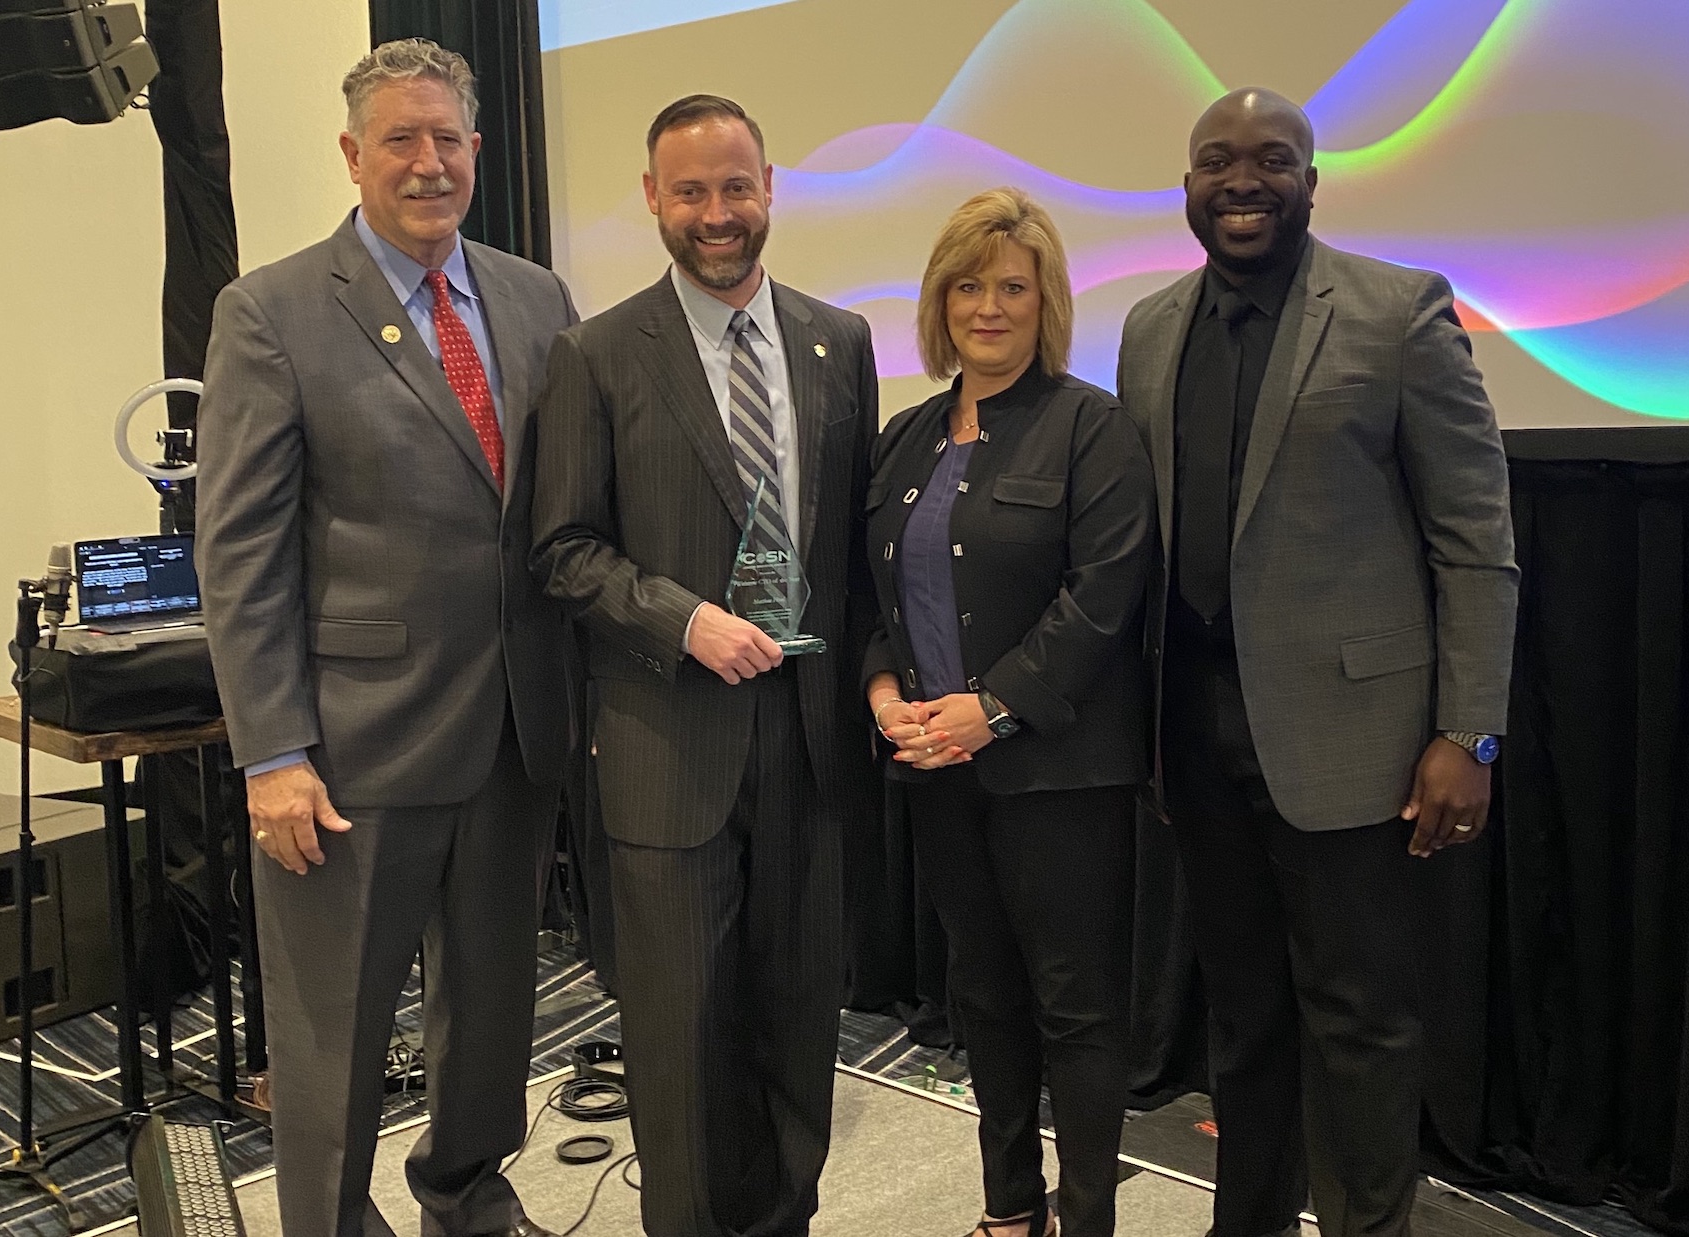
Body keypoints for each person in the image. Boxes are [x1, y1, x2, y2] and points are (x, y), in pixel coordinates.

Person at [1117, 88, 1519, 1237]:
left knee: (1360, 1022)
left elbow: (1478, 543)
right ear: (1185, 183)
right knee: (1243, 1018)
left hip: (1359, 744)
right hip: (1191, 738)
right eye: (1215, 162)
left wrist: (1470, 731)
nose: (1242, 181)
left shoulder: (1399, 312)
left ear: (1310, 180)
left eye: (1270, 160)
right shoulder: (1149, 327)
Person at [196, 39, 576, 1237]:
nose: (428, 163)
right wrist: (272, 753)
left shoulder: (535, 297)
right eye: (400, 140)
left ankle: (467, 1195)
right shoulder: (271, 311)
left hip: (513, 729)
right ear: (354, 156)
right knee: (336, 1028)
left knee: (493, 1007)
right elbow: (240, 551)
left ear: (477, 149)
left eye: (448, 138)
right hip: (351, 748)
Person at [529, 95, 878, 1237]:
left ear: (770, 187)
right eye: (691, 192)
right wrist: (684, 620)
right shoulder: (595, 353)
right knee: (679, 1047)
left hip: (810, 742)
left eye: (736, 187)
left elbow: (852, 550)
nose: (716, 215)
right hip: (667, 746)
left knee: (795, 1026)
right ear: (652, 201)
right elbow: (564, 551)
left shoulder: (841, 341)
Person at [864, 187, 1156, 1237]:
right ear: (940, 301)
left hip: (1061, 774)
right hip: (937, 771)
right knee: (981, 997)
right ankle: (1008, 1209)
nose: (989, 307)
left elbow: (1104, 597)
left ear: (1047, 302)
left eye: (1013, 288)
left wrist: (991, 709)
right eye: (969, 285)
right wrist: (886, 691)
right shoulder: (904, 440)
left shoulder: (1093, 427)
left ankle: (1085, 1221)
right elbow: (876, 600)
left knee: (1074, 1009)